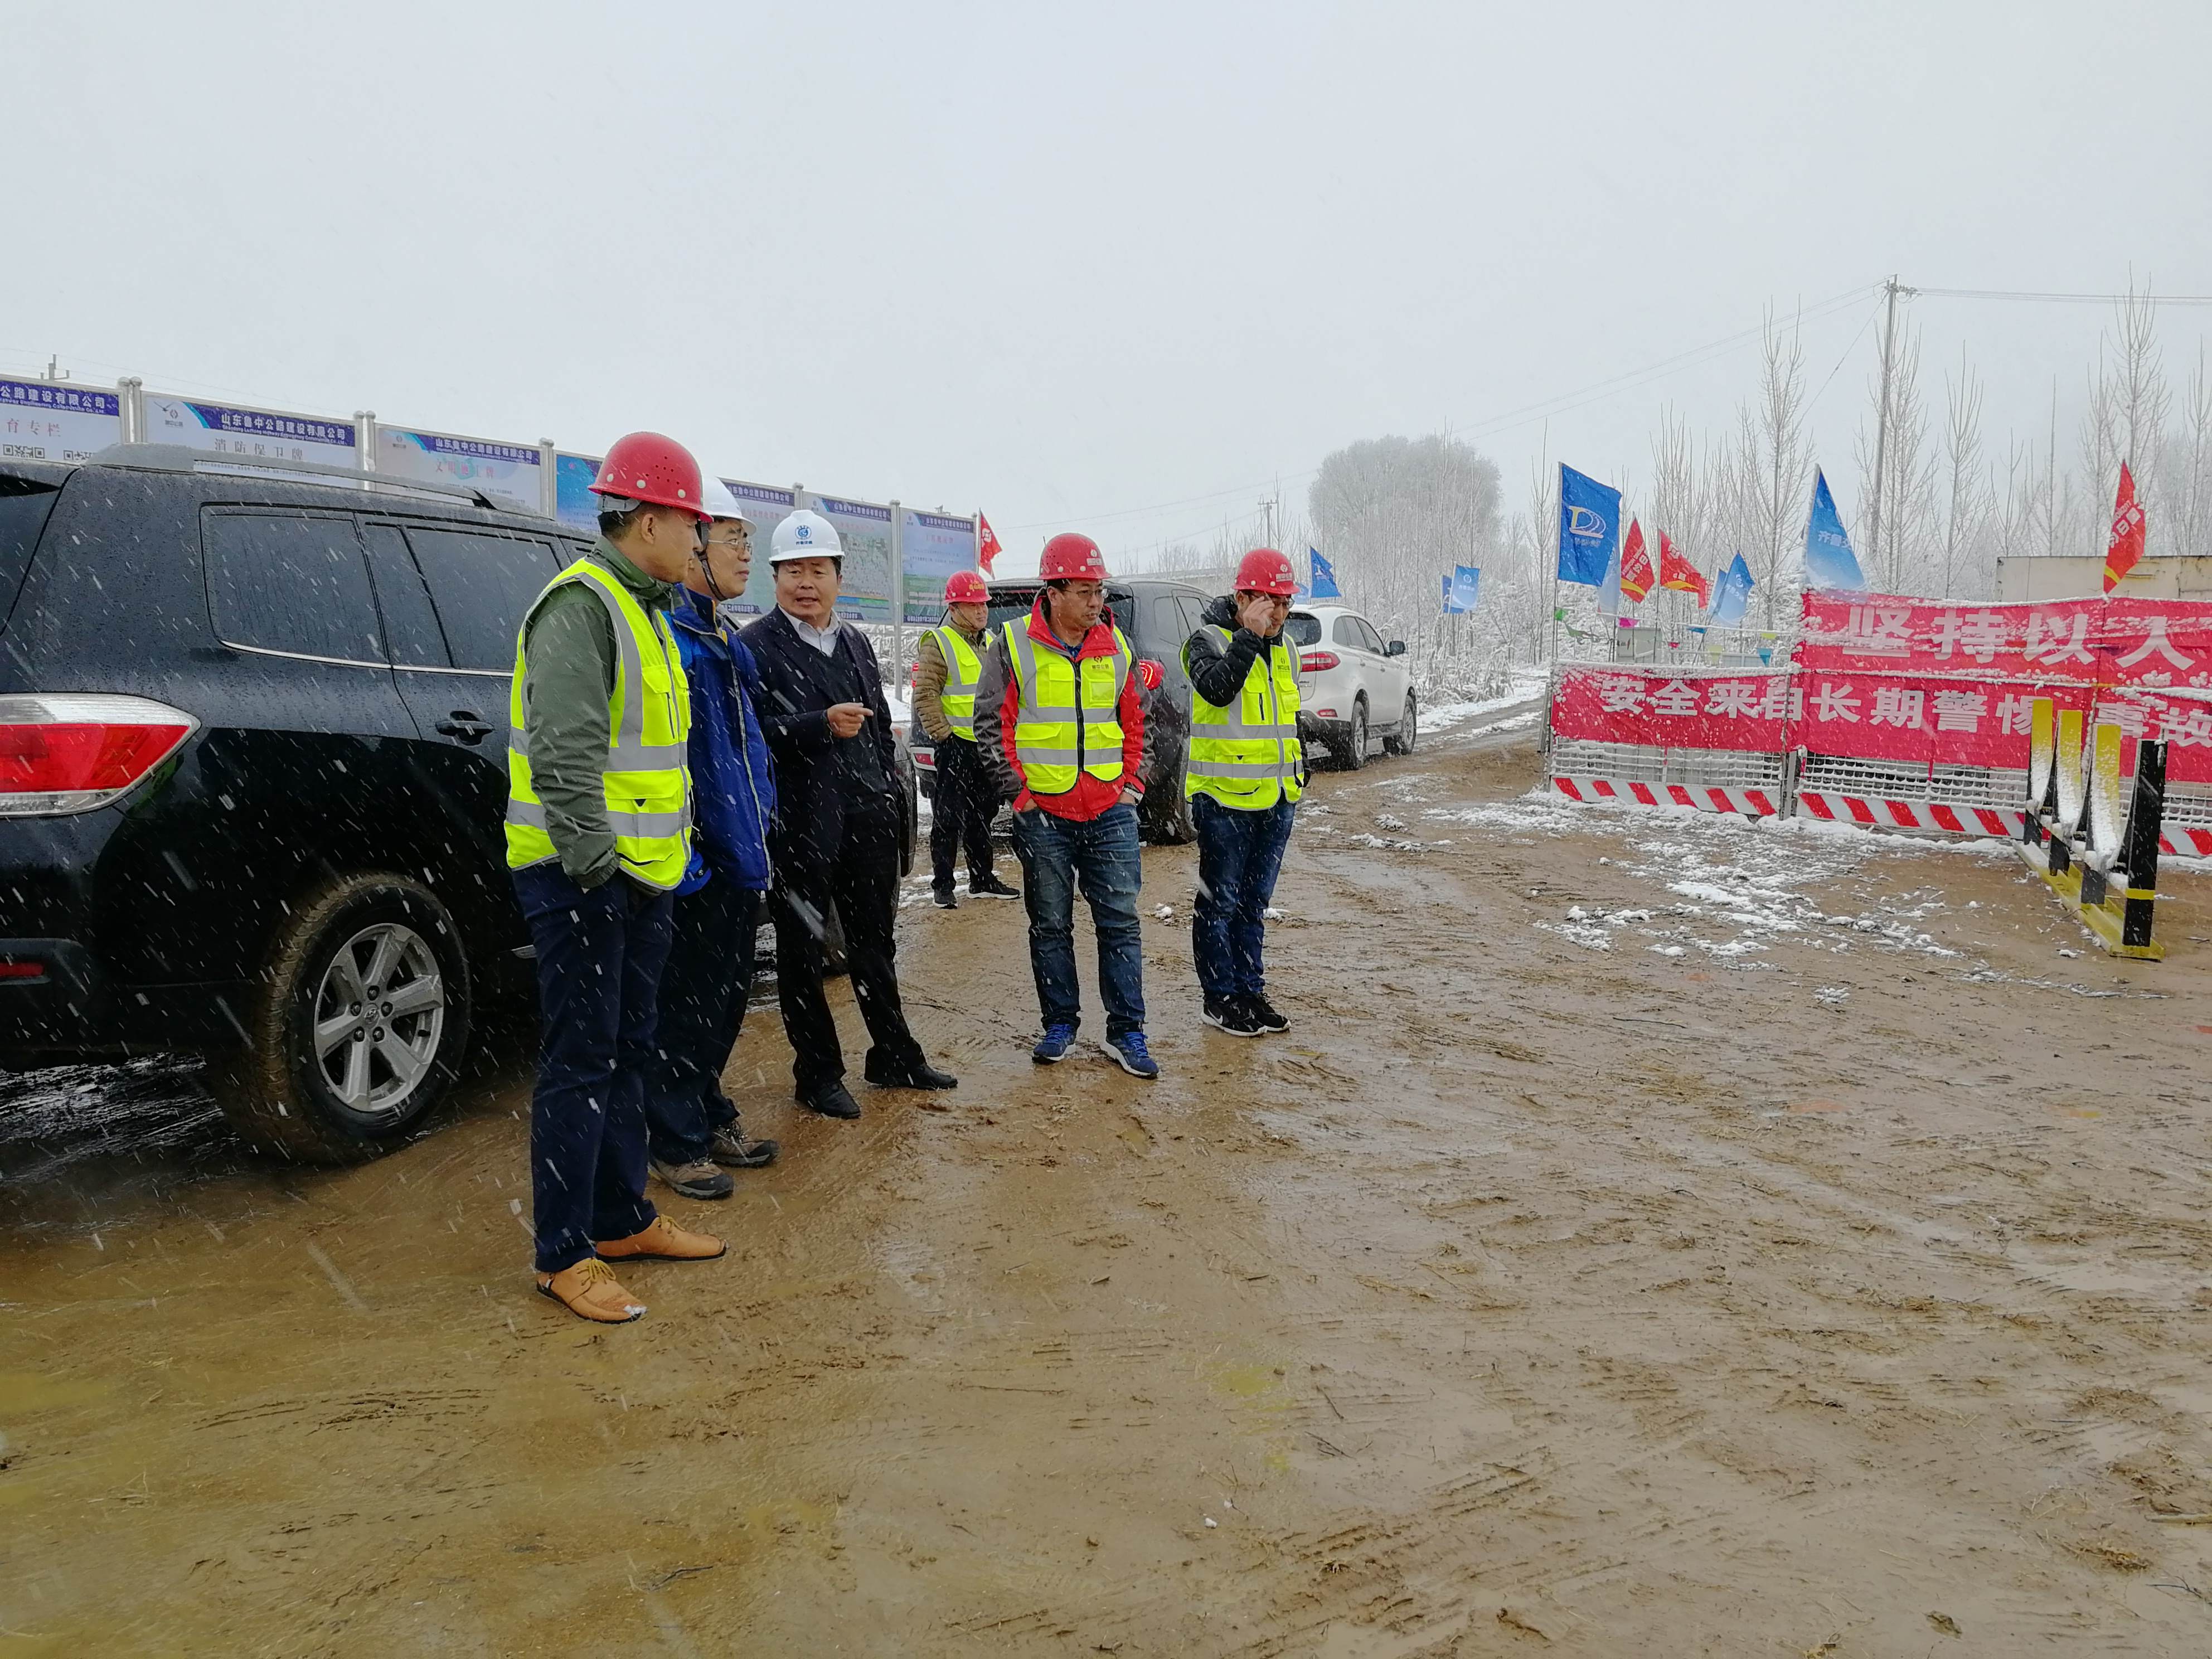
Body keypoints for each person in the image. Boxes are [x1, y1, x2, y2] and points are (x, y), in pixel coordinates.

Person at [507, 431, 725, 1325]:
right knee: (582, 1061)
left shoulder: (648, 609)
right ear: (649, 520)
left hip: (642, 876)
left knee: (630, 1049)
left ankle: (622, 1217)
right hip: (584, 879)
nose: (699, 539)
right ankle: (564, 1253)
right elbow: (563, 755)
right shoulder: (583, 605)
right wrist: (599, 869)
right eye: (691, 522)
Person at [741, 511, 955, 1120]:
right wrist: (816, 725)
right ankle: (817, 1073)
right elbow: (749, 735)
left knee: (874, 943)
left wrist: (885, 793)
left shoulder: (856, 641)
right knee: (803, 952)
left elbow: (880, 725)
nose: (805, 583)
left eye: (817, 570)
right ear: (775, 578)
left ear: (839, 578)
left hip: (866, 818)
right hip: (800, 822)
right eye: (792, 571)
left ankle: (893, 1055)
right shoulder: (755, 646)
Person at [642, 476, 782, 1201]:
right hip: (698, 856)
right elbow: (681, 759)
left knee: (723, 998)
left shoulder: (720, 636)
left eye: (747, 541)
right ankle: (672, 1138)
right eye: (733, 540)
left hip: (736, 848)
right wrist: (698, 849)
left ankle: (703, 1110)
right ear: (692, 543)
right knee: (687, 1001)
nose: (745, 555)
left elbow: (745, 747)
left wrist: (762, 822)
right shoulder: (672, 637)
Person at [973, 532, 1157, 1079]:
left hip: (1110, 811)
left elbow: (1138, 721)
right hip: (1044, 815)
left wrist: (1132, 785)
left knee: (1119, 923)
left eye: (1099, 591)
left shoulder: (1116, 645)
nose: (1096, 602)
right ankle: (1060, 1024)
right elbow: (992, 724)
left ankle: (1127, 1032)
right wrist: (1019, 794)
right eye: (1084, 592)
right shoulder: (1012, 643)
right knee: (1050, 925)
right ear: (1052, 593)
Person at [1183, 548, 1305, 1038]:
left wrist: (1298, 770)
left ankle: (1250, 990)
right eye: (1270, 601)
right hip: (1224, 799)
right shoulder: (1206, 641)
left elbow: (1284, 720)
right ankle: (1220, 998)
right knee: (1219, 903)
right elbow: (1218, 690)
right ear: (1242, 598)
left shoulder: (1287, 649)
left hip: (1276, 797)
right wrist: (1249, 638)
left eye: (1286, 602)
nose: (1279, 613)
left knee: (1255, 903)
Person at [913, 567, 1020, 909]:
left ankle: (982, 879)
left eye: (983, 604)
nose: (981, 610)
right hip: (955, 744)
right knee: (947, 817)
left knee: (982, 816)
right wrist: (944, 737)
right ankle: (943, 884)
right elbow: (926, 695)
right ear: (954, 608)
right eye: (972, 605)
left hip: (987, 744)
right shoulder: (939, 642)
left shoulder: (991, 642)